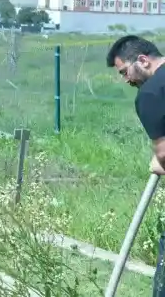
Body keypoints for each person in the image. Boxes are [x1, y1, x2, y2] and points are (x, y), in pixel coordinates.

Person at [106, 35, 165, 296]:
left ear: (143, 60)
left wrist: (160, 161)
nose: (126, 80)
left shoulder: (152, 93)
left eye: (124, 71)